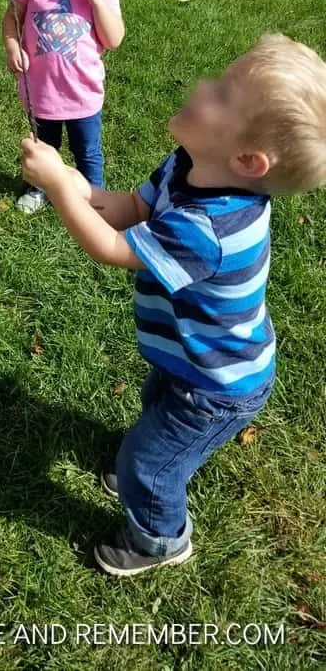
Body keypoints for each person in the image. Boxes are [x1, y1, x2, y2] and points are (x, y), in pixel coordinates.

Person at [20, 33, 326, 576]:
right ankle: (146, 457)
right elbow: (133, 208)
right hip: (190, 360)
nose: (205, 85)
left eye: (225, 95)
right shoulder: (188, 165)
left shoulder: (209, 229)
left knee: (151, 467)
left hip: (218, 386)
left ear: (248, 160)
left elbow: (111, 247)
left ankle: (159, 540)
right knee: (155, 405)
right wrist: (77, 182)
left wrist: (61, 192)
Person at [2, 0, 125, 214]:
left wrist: (96, 1)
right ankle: (40, 187)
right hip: (43, 90)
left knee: (88, 150)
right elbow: (12, 18)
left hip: (82, 91)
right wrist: (13, 46)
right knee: (46, 147)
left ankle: (93, 199)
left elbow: (113, 39)